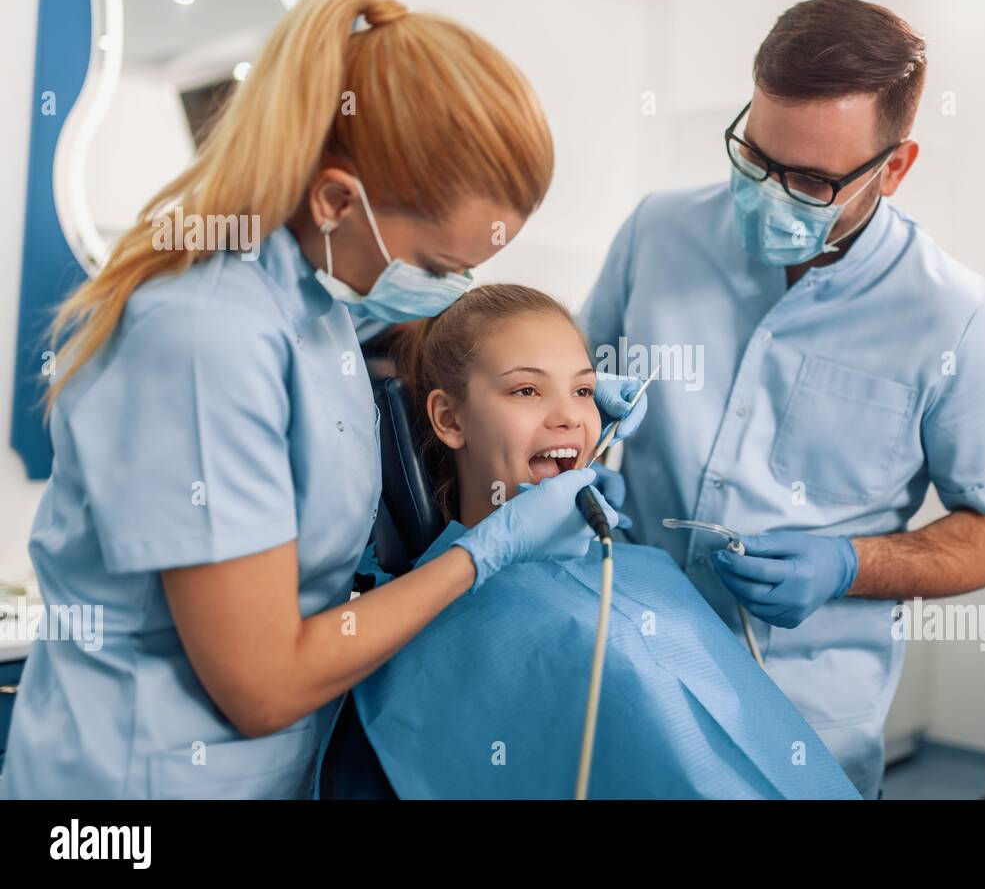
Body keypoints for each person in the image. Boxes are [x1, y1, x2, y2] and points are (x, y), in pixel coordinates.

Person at [0, 0, 638, 799]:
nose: (456, 284)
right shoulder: (202, 337)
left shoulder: (318, 306)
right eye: (442, 266)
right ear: (339, 199)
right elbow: (262, 683)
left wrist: (559, 401)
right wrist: (488, 553)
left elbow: (416, 384)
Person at [580, 0, 985, 797]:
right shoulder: (657, 232)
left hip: (800, 727)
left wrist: (850, 565)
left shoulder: (953, 318)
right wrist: (575, 437)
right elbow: (574, 389)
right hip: (624, 673)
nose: (767, 194)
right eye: (754, 158)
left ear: (894, 168)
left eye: (810, 181)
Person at [333, 284, 861, 799]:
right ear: (450, 418)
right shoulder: (423, 621)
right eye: (526, 390)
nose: (568, 416)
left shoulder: (642, 567)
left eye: (583, 390)